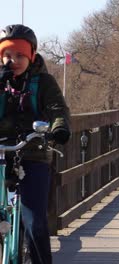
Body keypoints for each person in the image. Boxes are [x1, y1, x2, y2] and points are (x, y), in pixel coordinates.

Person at [0, 24, 71, 264]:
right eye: (7, 55)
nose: (13, 61)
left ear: (31, 55)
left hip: (33, 153)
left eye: (20, 55)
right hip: (1, 152)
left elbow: (57, 108)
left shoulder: (44, 82)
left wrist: (59, 126)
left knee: (34, 221)